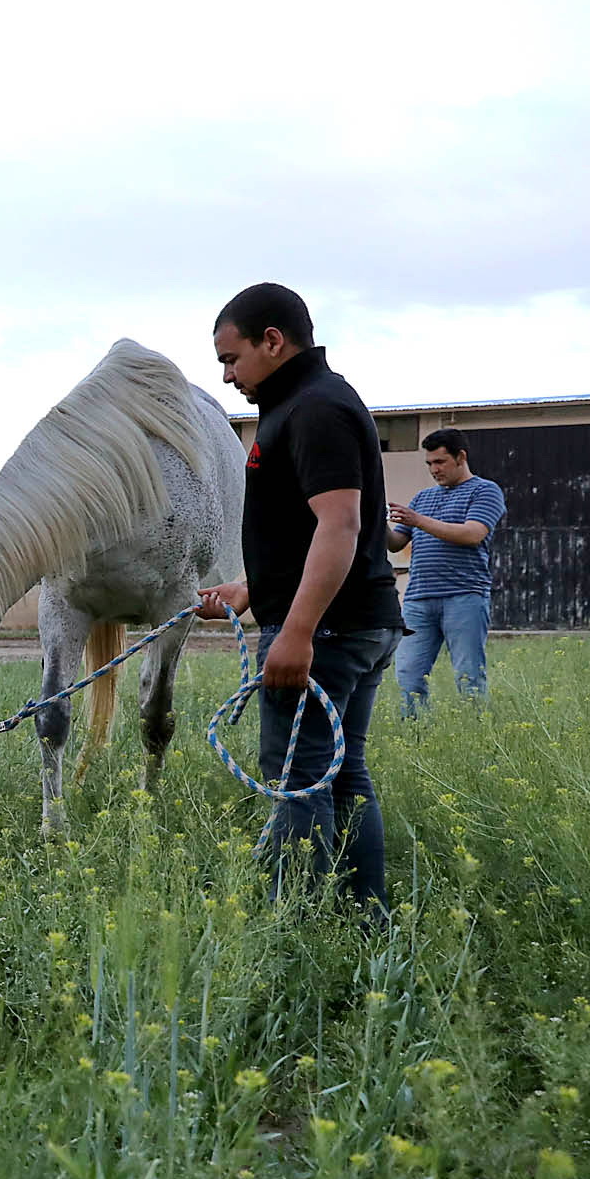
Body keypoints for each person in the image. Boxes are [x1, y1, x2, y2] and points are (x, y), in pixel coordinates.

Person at [196, 283, 404, 914]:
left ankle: (293, 926)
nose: (228, 376)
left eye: (231, 359)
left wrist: (296, 632)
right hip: (350, 624)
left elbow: (341, 525)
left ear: (273, 341)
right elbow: (307, 531)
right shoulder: (302, 404)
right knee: (339, 776)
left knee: (300, 782)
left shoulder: (315, 409)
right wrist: (252, 590)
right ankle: (364, 916)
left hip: (331, 633)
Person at [385, 428, 507, 716]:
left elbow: (472, 534)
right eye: (429, 464)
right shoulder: (422, 498)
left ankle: (476, 736)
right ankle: (415, 737)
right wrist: (369, 520)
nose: (433, 470)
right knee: (408, 675)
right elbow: (395, 544)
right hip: (418, 600)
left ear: (460, 457)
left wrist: (418, 520)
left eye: (440, 462)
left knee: (468, 676)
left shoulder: (485, 490)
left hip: (464, 596)